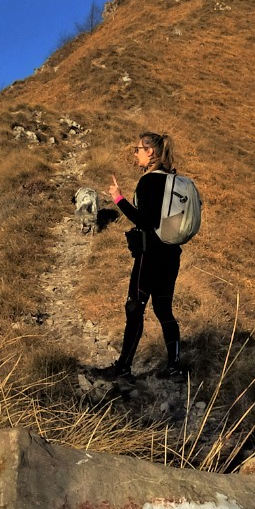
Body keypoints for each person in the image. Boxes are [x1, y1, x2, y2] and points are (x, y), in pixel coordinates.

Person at [90, 131, 186, 382]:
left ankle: (123, 368)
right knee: (164, 309)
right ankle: (175, 366)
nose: (135, 153)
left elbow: (144, 220)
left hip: (150, 255)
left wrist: (118, 198)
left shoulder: (149, 182)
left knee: (135, 307)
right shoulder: (172, 180)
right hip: (171, 254)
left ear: (150, 152)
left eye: (138, 149)